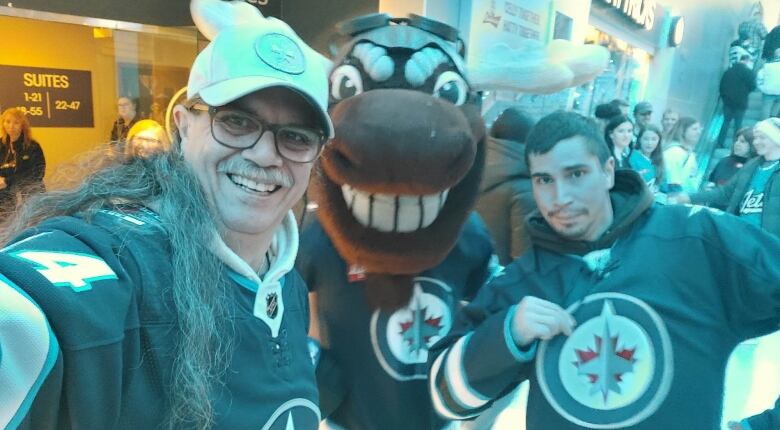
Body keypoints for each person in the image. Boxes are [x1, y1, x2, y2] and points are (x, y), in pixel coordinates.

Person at [0, 2, 334, 429]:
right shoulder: (123, 264)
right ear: (182, 125)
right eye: (235, 121)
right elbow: (29, 316)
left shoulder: (286, 278)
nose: (266, 153)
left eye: (296, 136)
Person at [428, 110, 780, 429]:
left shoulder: (697, 239)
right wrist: (507, 335)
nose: (560, 196)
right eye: (544, 180)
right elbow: (444, 397)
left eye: (576, 174)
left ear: (608, 170)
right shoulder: (524, 280)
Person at [675, 118, 780, 236]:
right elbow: (725, 193)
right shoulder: (751, 165)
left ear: (775, 138)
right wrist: (691, 198)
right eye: (756, 138)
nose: (756, 142)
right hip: (739, 234)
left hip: (767, 243)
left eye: (762, 137)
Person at [476, 107, 537, 264]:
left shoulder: (469, 167)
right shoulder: (525, 187)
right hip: (499, 279)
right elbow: (523, 257)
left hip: (465, 271)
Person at [0, 107, 45, 212]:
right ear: (3, 124)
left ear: (22, 126)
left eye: (16, 123)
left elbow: (38, 173)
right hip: (5, 197)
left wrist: (8, 181)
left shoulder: (33, 146)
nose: (11, 126)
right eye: (8, 122)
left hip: (30, 194)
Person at [719, 54, 757, 148]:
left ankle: (720, 143)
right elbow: (753, 87)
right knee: (738, 124)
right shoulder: (749, 72)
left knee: (725, 122)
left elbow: (722, 86)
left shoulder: (728, 71)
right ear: (747, 61)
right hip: (741, 102)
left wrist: (725, 98)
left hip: (727, 102)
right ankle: (735, 144)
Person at [663, 116, 702, 193]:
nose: (699, 132)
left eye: (700, 129)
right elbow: (673, 180)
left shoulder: (689, 153)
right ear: (683, 131)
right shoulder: (674, 152)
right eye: (694, 129)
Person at [629, 124, 666, 191]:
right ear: (640, 139)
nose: (649, 143)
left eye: (653, 139)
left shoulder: (658, 158)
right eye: (646, 139)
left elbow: (664, 185)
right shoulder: (633, 158)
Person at [757, 47, 780, 119]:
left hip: (768, 90)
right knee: (776, 109)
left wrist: (761, 87)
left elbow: (759, 76)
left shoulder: (767, 66)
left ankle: (764, 124)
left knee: (766, 109)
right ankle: (772, 120)